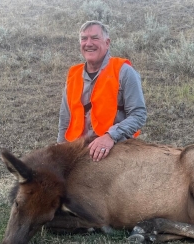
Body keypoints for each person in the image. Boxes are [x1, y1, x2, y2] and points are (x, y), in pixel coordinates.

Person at [57, 20, 147, 161]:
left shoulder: (124, 71)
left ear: (107, 42)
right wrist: (60, 150)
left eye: (95, 38)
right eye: (84, 39)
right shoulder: (73, 76)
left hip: (116, 147)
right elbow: (65, 120)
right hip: (79, 150)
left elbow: (138, 114)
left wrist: (110, 136)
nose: (88, 43)